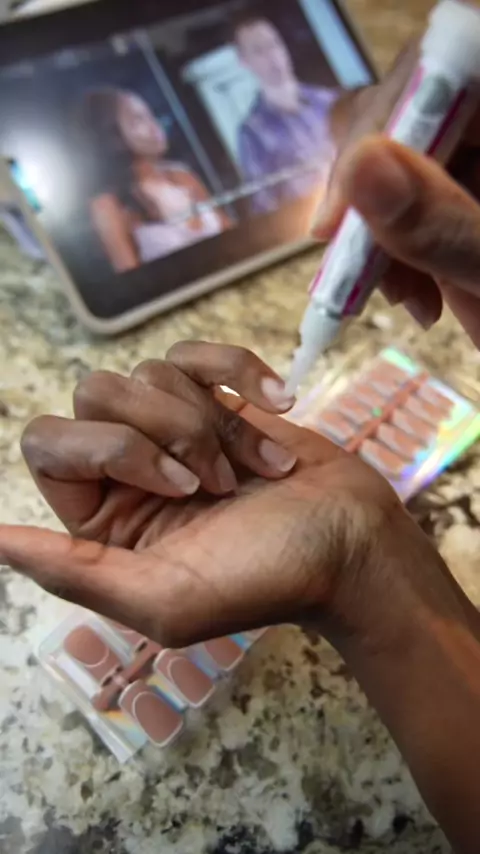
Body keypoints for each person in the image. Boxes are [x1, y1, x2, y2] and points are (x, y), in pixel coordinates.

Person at [3, 38, 480, 854]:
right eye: (131, 116)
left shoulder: (190, 178)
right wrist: (364, 561)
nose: (150, 124)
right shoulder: (122, 203)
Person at [76, 87, 230, 272]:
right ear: (113, 136)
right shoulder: (107, 206)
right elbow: (132, 278)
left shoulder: (182, 175)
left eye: (151, 114)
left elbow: (232, 233)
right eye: (138, 119)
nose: (154, 125)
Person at [232, 12, 340, 214]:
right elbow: (264, 205)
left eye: (274, 44)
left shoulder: (329, 101)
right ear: (244, 61)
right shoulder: (252, 133)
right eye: (259, 50)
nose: (272, 56)